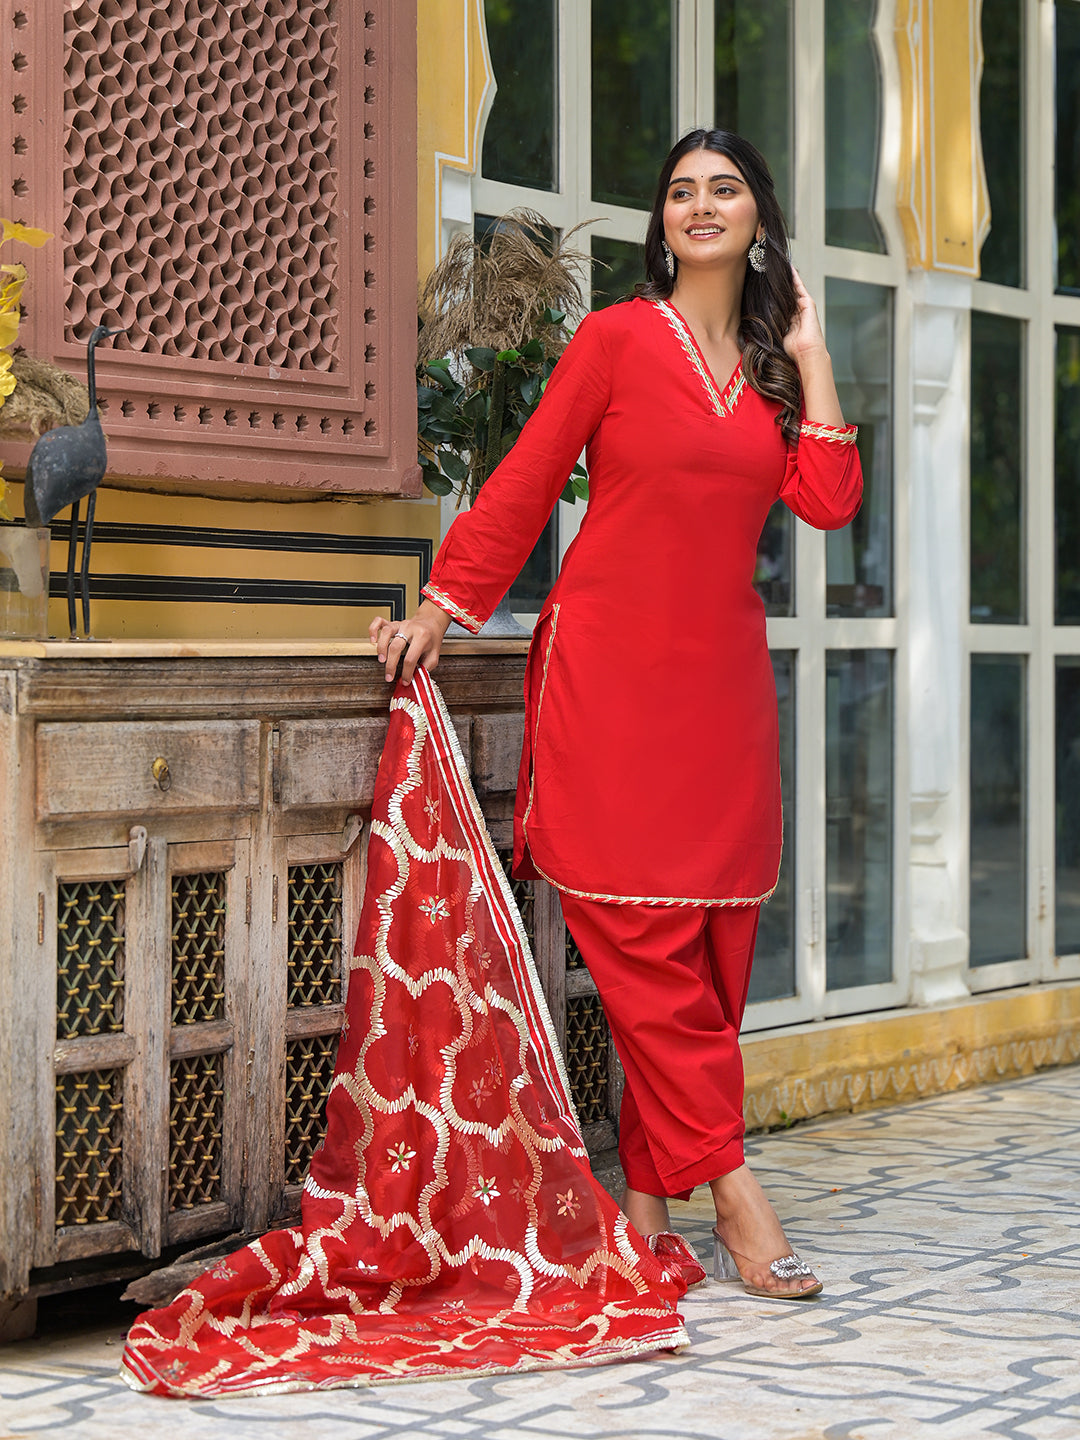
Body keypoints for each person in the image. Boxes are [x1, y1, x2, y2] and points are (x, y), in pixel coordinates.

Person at [370, 129, 863, 1299]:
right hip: (608, 681)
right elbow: (529, 476)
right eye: (682, 191)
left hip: (722, 698)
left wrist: (814, 347)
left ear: (757, 219)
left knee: (705, 952)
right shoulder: (612, 341)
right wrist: (444, 605)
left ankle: (644, 1209)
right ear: (662, 222)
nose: (702, 206)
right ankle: (738, 1201)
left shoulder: (770, 374)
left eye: (726, 190)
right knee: (642, 953)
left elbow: (830, 502)